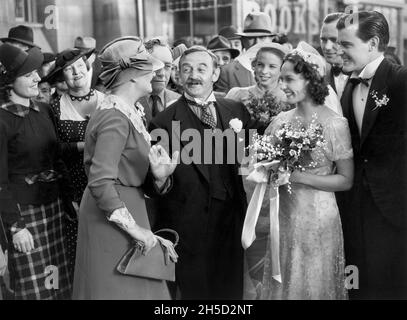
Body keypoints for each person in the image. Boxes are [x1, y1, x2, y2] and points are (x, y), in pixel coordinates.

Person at [149, 46, 266, 299]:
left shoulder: (236, 111)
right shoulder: (163, 122)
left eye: (202, 69)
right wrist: (159, 180)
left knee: (231, 291)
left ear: (215, 74)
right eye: (186, 69)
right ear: (177, 76)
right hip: (188, 226)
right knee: (196, 294)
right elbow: (153, 183)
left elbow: (251, 158)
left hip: (232, 220)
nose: (194, 75)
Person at [72, 36, 178, 300]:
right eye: (149, 68)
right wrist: (135, 230)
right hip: (113, 219)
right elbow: (100, 182)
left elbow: (123, 172)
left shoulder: (128, 110)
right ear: (131, 75)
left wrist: (159, 176)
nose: (155, 73)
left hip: (126, 208)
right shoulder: (114, 117)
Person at [248, 42, 354, 300]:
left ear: (310, 80)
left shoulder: (334, 124)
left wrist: (297, 176)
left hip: (319, 219)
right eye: (281, 78)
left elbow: (346, 180)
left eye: (289, 79)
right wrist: (267, 169)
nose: (281, 84)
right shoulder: (280, 121)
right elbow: (263, 166)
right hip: (284, 216)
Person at [337, 11, 407, 299]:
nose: (337, 50)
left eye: (346, 45)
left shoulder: (401, 81)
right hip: (353, 207)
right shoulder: (347, 86)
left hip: (393, 210)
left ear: (373, 43)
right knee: (356, 283)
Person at [0, 43, 74, 299]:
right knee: (35, 292)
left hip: (53, 209)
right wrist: (16, 227)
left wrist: (69, 200)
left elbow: (57, 161)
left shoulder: (43, 110)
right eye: (28, 74)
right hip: (26, 217)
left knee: (58, 285)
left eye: (36, 72)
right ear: (9, 82)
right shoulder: (2, 121)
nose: (37, 78)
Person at [225, 42, 291, 299]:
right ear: (251, 66)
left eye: (272, 66)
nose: (264, 71)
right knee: (247, 235)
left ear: (281, 69)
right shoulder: (236, 94)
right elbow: (225, 141)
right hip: (243, 175)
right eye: (259, 64)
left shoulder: (289, 98)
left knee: (274, 235)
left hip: (277, 179)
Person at [46, 48, 105, 283]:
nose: (76, 72)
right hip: (73, 190)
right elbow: (52, 151)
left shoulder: (108, 100)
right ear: (62, 77)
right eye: (69, 69)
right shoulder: (53, 107)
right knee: (78, 255)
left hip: (106, 184)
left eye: (80, 65)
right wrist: (85, 145)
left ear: (88, 68)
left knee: (106, 250)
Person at [216, 12, 278, 93]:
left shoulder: (283, 68)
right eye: (251, 38)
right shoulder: (227, 72)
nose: (257, 42)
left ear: (271, 39)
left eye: (262, 37)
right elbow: (222, 104)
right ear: (243, 40)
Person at [138, 38, 180, 125]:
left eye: (167, 66)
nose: (162, 73)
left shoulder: (180, 102)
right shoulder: (128, 102)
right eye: (156, 65)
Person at [320, 12, 348, 101]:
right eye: (323, 40)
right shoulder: (318, 76)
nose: (327, 47)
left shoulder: (365, 76)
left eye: (334, 40)